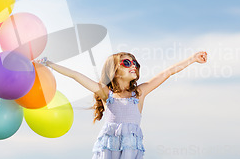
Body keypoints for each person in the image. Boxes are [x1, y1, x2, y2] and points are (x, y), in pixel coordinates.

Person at [37, 51, 207, 158]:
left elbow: (167, 73)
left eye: (134, 63)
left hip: (130, 151)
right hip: (108, 150)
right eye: (126, 63)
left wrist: (192, 59)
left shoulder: (139, 93)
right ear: (115, 71)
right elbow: (76, 75)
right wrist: (49, 64)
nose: (132, 65)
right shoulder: (106, 93)